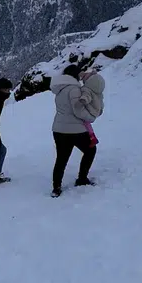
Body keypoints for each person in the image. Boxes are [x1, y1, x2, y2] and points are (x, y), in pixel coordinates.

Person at [49, 65, 99, 198]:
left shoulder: (60, 89)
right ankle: (82, 179)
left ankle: (56, 188)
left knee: (61, 158)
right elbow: (79, 110)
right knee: (90, 150)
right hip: (75, 130)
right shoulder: (74, 89)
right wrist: (92, 117)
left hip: (58, 130)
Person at [79, 70, 105, 145]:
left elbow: (86, 96)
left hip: (91, 110)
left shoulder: (86, 89)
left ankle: (92, 137)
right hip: (98, 110)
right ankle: (90, 136)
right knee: (86, 123)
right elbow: (100, 99)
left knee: (85, 123)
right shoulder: (98, 90)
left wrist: (83, 99)